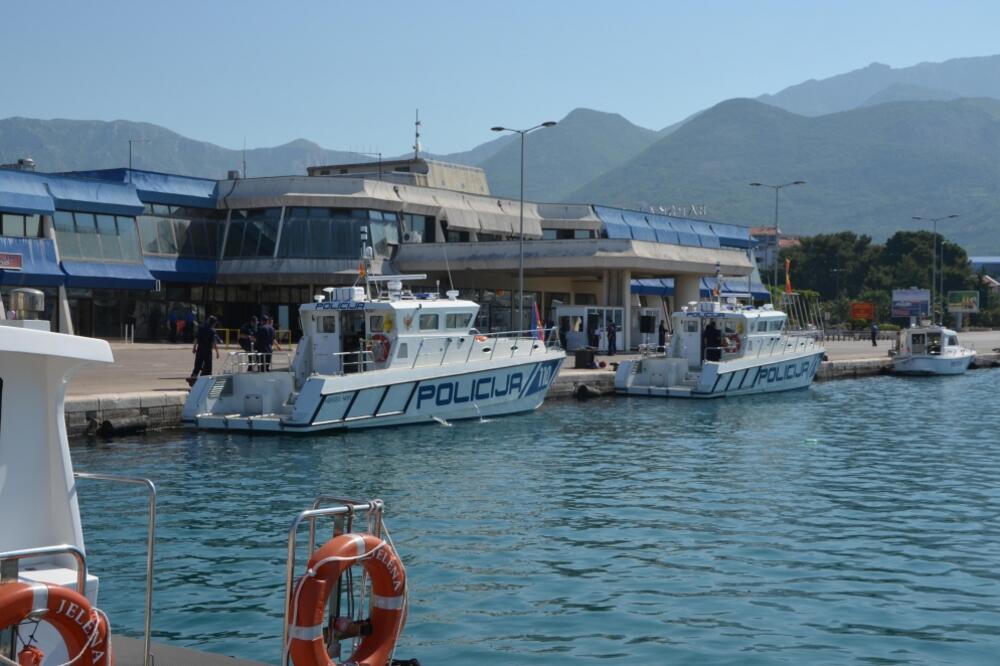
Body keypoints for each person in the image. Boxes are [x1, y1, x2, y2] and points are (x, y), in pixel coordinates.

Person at [189, 315, 220, 383]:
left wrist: (194, 347)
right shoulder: (212, 331)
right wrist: (217, 352)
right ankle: (205, 381)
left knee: (197, 365)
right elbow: (213, 343)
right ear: (213, 323)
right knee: (208, 367)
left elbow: (196, 339)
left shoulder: (201, 328)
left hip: (200, 350)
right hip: (207, 351)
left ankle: (193, 378)